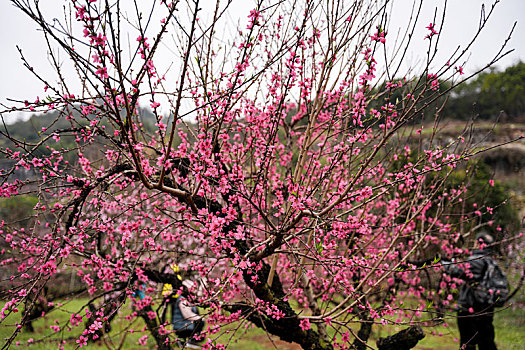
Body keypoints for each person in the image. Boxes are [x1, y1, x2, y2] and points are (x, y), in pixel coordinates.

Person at [443, 230, 501, 350]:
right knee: (486, 341)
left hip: (470, 308)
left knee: (468, 342)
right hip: (486, 307)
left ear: (478, 244)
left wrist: (442, 262)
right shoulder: (491, 261)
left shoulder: (476, 260)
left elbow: (458, 271)